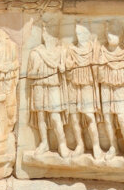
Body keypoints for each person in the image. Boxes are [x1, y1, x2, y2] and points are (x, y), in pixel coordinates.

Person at [26, 23, 69, 158]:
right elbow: (29, 75)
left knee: (55, 117)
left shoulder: (61, 51)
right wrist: (36, 70)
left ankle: (62, 143)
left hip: (54, 86)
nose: (46, 35)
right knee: (41, 116)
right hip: (39, 86)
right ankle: (44, 142)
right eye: (44, 32)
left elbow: (67, 70)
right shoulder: (36, 52)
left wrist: (63, 69)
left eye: (49, 32)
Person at [98, 21, 124, 162]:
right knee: (107, 117)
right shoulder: (102, 51)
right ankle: (113, 146)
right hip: (106, 86)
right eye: (108, 34)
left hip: (121, 89)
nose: (110, 37)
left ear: (120, 36)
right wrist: (101, 66)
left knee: (121, 117)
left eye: (114, 34)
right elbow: (99, 77)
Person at [65, 23, 103, 159]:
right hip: (74, 85)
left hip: (87, 85)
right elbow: (67, 72)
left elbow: (99, 71)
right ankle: (80, 144)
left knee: (89, 115)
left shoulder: (93, 49)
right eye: (78, 34)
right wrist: (68, 67)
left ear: (88, 34)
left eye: (83, 34)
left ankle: (96, 145)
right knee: (74, 118)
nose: (80, 37)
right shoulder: (71, 49)